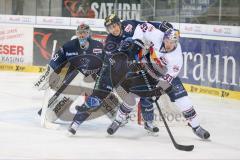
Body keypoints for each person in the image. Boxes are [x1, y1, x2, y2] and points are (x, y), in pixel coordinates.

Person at [68, 14, 174, 135]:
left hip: (132, 67)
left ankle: (148, 123)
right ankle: (75, 123)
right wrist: (130, 61)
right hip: (111, 71)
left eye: (114, 26)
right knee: (97, 98)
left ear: (119, 23)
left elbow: (146, 25)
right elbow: (116, 61)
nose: (113, 30)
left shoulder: (130, 24)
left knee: (146, 93)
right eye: (110, 28)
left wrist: (160, 25)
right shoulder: (110, 42)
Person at [107, 22, 210, 140]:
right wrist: (137, 40)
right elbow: (142, 26)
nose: (169, 45)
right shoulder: (157, 35)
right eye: (167, 41)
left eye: (173, 42)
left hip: (164, 76)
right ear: (164, 37)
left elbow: (167, 79)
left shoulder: (176, 59)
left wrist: (157, 91)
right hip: (147, 68)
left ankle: (196, 127)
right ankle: (118, 120)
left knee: (184, 101)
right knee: (132, 97)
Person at [34, 23, 113, 127]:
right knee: (49, 116)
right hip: (75, 80)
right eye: (79, 33)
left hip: (94, 80)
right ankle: (50, 110)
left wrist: (106, 83)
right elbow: (56, 61)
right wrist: (48, 75)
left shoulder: (98, 46)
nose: (82, 35)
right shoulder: (69, 46)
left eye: (84, 33)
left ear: (89, 34)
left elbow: (108, 66)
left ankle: (116, 114)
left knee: (104, 95)